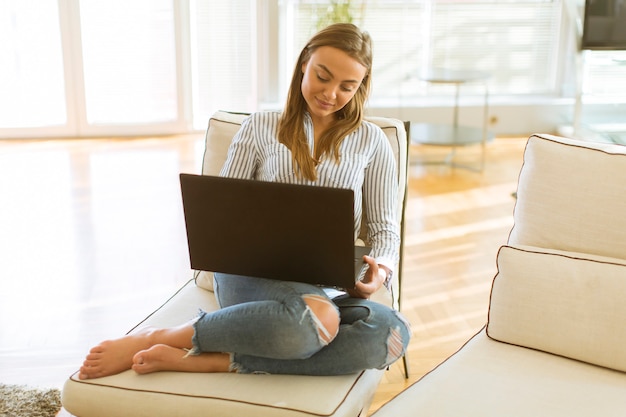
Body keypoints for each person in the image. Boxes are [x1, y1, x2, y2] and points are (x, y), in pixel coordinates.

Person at [78, 22, 411, 379]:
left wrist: (381, 272)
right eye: (322, 76)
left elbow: (384, 230)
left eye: (347, 86)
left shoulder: (372, 141)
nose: (330, 93)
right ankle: (163, 337)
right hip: (250, 274)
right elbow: (224, 209)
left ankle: (219, 361)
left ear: (361, 86)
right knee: (318, 319)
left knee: (390, 335)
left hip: (328, 286)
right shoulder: (261, 126)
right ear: (304, 64)